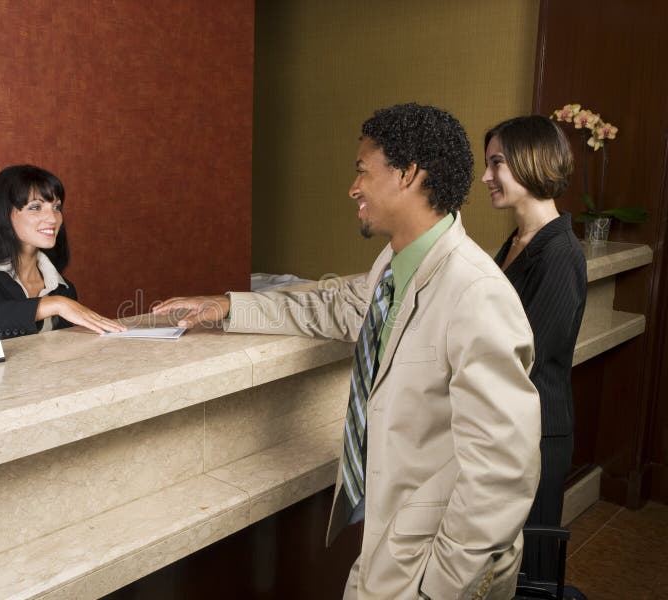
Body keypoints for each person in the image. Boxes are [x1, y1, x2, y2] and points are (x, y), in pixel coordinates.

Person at [154, 103, 541, 599]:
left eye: (363, 171)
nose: (353, 188)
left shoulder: (475, 292)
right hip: (393, 544)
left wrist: (439, 588)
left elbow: (502, 473)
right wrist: (227, 307)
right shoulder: (393, 265)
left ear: (408, 175)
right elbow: (334, 307)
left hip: (436, 571)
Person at [482, 115, 587, 582]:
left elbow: (528, 356)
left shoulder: (560, 253)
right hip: (508, 429)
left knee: (531, 572)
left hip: (536, 436)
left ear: (530, 161)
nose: (486, 177)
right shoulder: (520, 240)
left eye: (497, 163)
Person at [0, 164, 124, 348]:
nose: (52, 218)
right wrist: (50, 305)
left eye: (56, 207)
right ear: (4, 213)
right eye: (35, 207)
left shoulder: (63, 289)